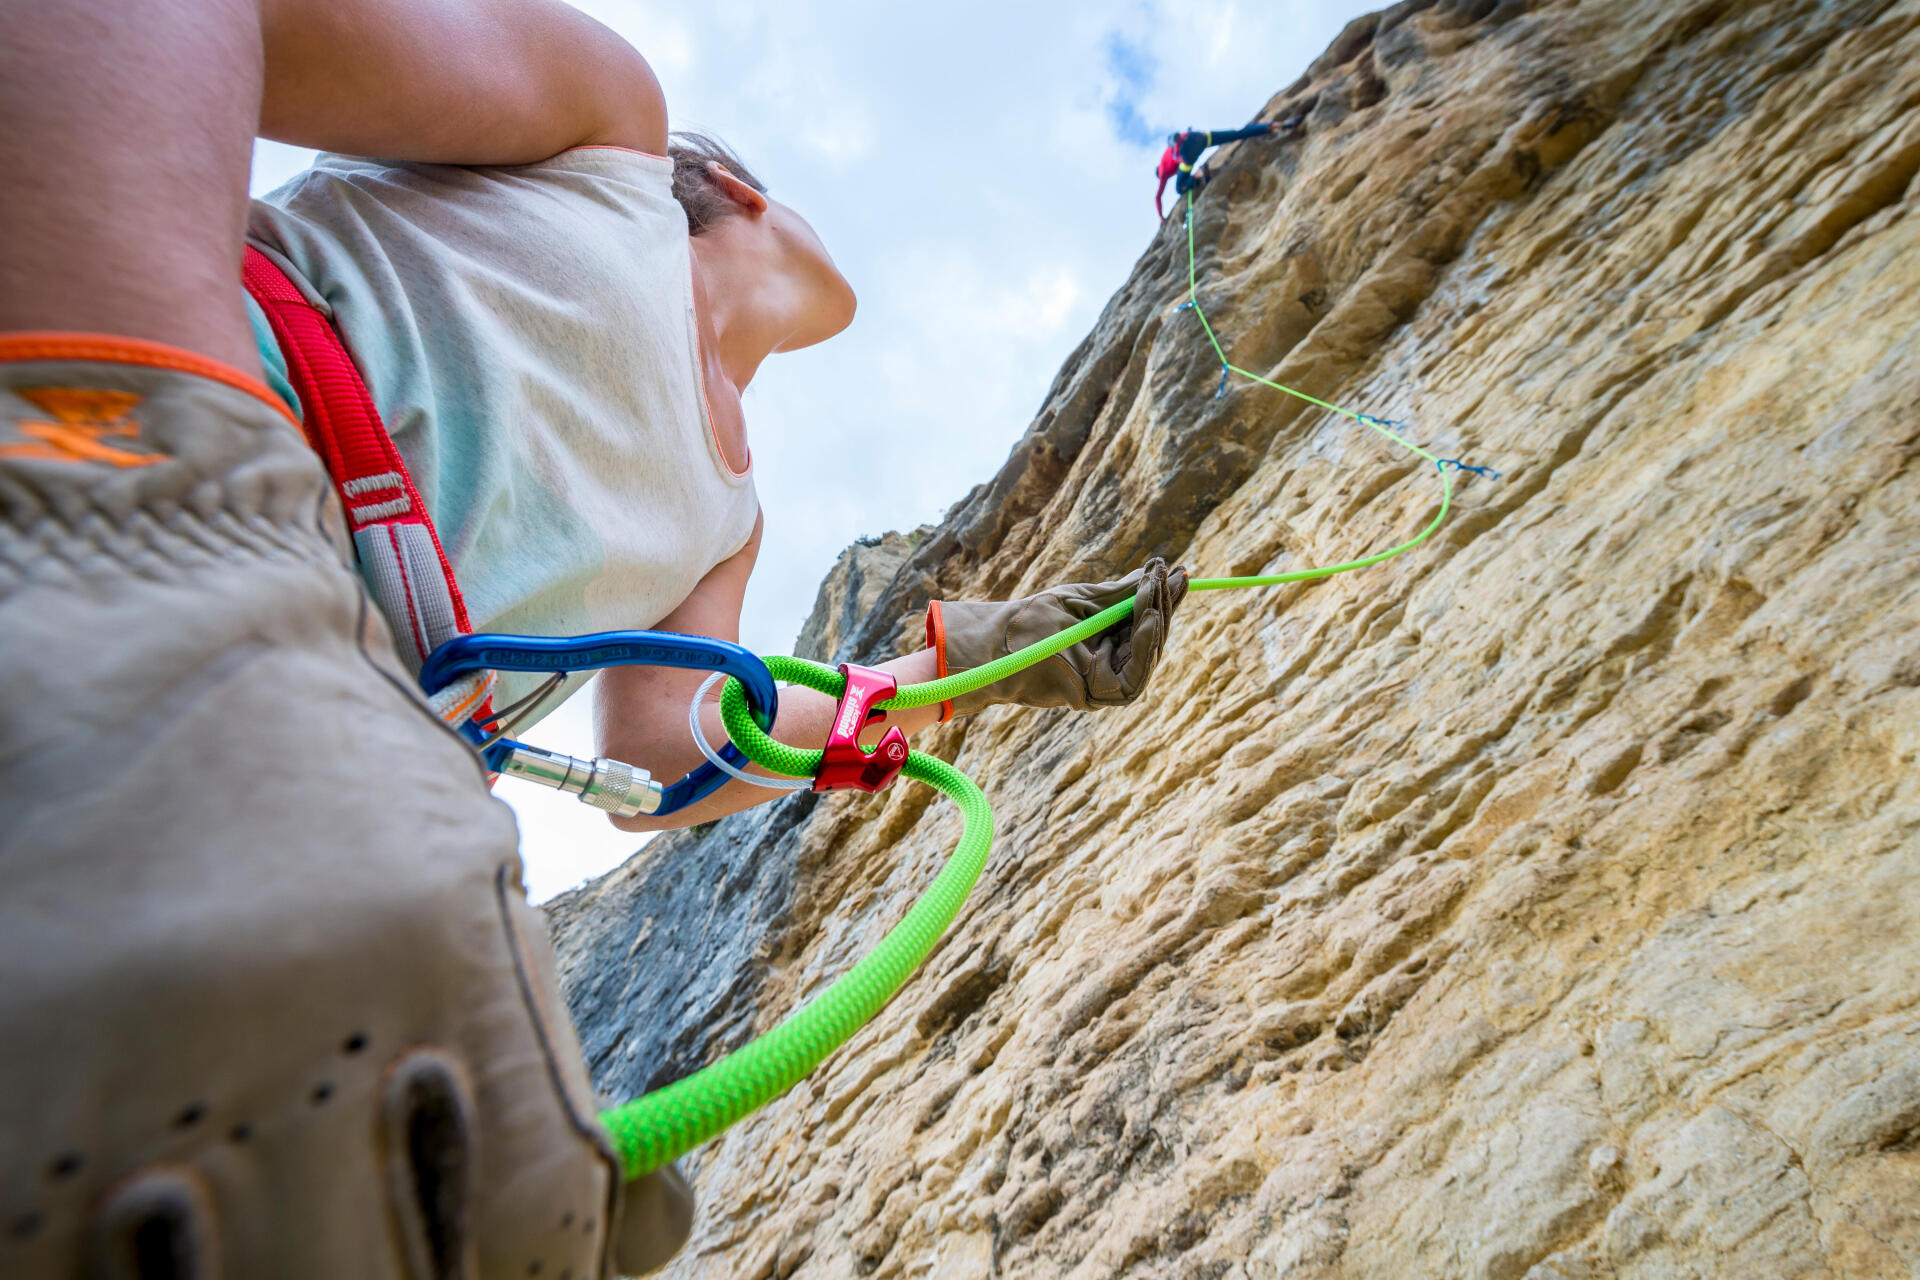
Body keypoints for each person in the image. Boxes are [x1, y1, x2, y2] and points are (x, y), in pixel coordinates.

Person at [0, 0, 1188, 1275]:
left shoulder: (731, 513)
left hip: (295, 753)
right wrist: (115, 469)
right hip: (114, 482)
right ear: (731, 187)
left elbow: (665, 751)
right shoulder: (611, 134)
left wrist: (962, 671)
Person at [1154, 122, 1277, 218]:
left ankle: (1200, 173)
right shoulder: (1167, 153)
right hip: (1199, 138)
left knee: (1180, 187)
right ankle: (1272, 126)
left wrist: (1161, 217)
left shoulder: (1163, 172)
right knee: (1236, 134)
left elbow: (1158, 197)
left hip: (1187, 152)